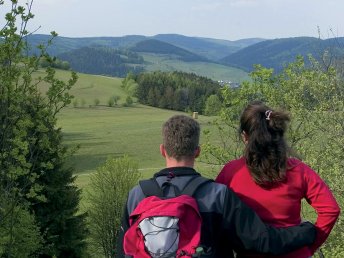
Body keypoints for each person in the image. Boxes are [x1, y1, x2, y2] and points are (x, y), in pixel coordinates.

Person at [116, 114, 316, 258]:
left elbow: (124, 250)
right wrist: (306, 231)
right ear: (197, 151)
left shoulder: (137, 195)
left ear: (162, 150)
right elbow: (262, 240)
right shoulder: (217, 195)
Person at [216, 101, 340, 258]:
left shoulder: (231, 171)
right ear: (277, 135)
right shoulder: (298, 170)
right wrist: (310, 247)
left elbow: (214, 214)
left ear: (245, 137)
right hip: (294, 252)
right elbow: (331, 209)